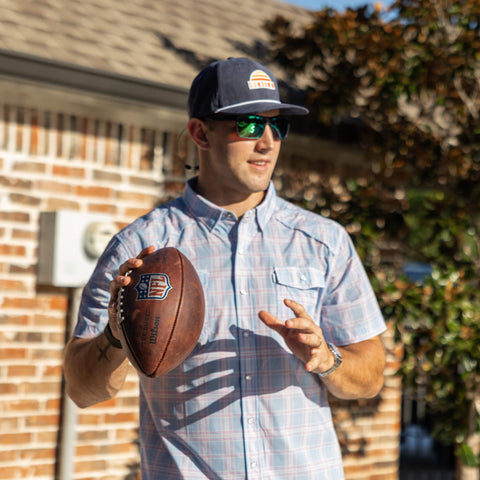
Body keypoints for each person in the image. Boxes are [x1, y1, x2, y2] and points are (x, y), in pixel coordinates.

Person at [63, 57, 386, 480]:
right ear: (200, 132)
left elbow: (371, 376)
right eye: (250, 124)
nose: (268, 141)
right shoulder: (141, 249)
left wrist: (327, 358)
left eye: (277, 126)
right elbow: (81, 389)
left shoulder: (323, 240)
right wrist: (115, 335)